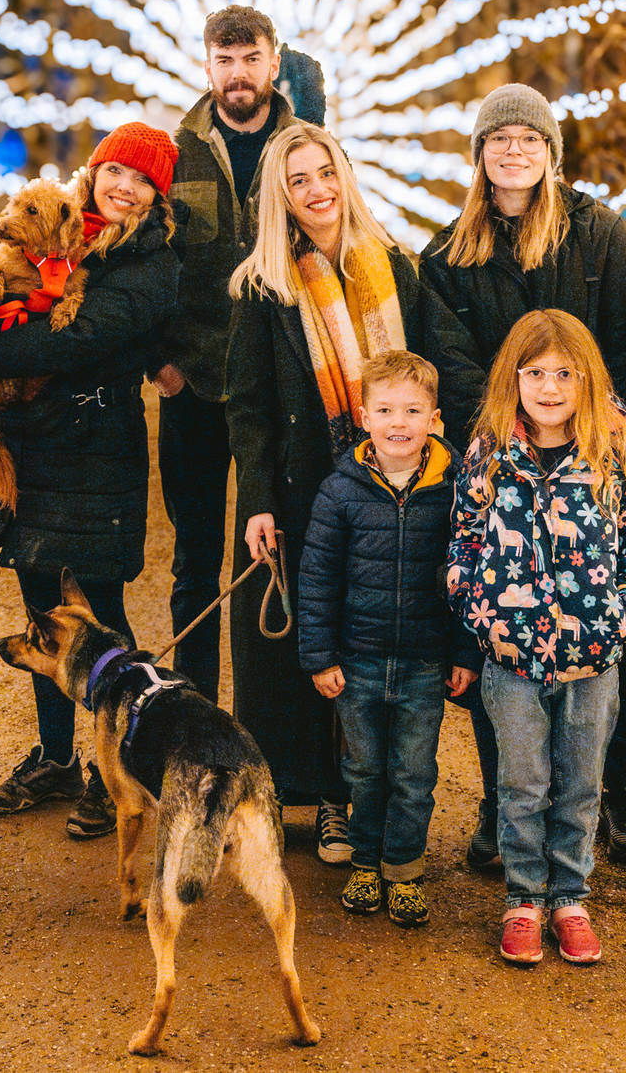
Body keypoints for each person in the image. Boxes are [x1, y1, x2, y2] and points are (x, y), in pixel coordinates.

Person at [419, 82, 626, 866]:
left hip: (596, 459)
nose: (514, 150)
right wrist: (498, 438)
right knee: (505, 639)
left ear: (550, 153)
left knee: (597, 634)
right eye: (499, 139)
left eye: (529, 139)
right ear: (479, 154)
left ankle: (611, 794)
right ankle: (506, 811)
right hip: (503, 464)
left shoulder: (599, 235)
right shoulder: (449, 255)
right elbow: (454, 366)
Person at [0, 122, 180, 839]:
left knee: (102, 617)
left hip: (95, 454)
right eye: (116, 171)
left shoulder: (150, 264)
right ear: (95, 170)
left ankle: (113, 765)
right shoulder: (50, 229)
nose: (125, 187)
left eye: (142, 181)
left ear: (156, 197)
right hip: (31, 447)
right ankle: (55, 755)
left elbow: (79, 341)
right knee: (40, 610)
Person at [445, 309, 626, 967]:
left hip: (592, 658)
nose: (549, 387)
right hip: (511, 657)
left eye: (564, 374)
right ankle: (523, 898)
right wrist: (476, 605)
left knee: (580, 782)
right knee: (521, 782)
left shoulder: (615, 452)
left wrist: (625, 617)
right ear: (514, 379)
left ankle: (570, 896)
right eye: (535, 373)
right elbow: (464, 536)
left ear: (586, 379)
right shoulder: (489, 452)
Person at [225, 123, 421, 864]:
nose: (317, 190)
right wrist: (258, 502)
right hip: (304, 491)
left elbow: (435, 374)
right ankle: (276, 794)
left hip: (389, 491)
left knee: (366, 644)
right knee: (291, 649)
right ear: (281, 195)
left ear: (345, 174)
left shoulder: (397, 267)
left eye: (325, 172)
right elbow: (246, 406)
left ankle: (346, 801)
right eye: (298, 179)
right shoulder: (261, 286)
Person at [152, 7, 319, 703]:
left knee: (273, 550)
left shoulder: (305, 147)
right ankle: (193, 714)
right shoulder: (175, 151)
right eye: (224, 60)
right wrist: (158, 361)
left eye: (250, 58)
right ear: (207, 66)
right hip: (192, 383)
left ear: (273, 63)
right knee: (195, 560)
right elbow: (144, 260)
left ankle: (270, 718)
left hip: (275, 389)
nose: (238, 73)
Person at [298, 351, 479, 927]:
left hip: (426, 663)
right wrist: (320, 656)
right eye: (385, 410)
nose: (398, 422)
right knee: (364, 770)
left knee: (414, 774)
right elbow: (317, 579)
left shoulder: (457, 490)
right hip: (359, 662)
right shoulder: (341, 490)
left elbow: (470, 576)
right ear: (364, 417)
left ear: (435, 418)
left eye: (411, 409)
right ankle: (365, 862)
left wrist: (465, 653)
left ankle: (403, 869)